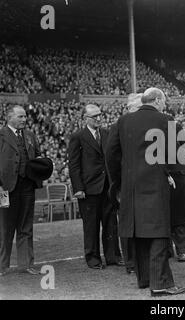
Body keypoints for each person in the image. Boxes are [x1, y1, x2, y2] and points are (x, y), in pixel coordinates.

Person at [105, 87, 185, 297]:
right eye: (164, 101)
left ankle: (144, 279)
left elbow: (111, 153)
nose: (164, 105)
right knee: (159, 232)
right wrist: (168, 173)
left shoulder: (123, 121)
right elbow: (173, 155)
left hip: (130, 186)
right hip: (155, 184)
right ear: (157, 100)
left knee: (139, 232)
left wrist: (119, 182)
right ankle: (161, 284)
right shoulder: (165, 119)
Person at [67, 104, 123, 270]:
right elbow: (74, 164)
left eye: (100, 115)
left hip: (107, 188)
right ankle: (93, 258)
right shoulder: (78, 136)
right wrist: (78, 188)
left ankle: (113, 256)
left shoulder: (106, 133)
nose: (98, 118)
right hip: (88, 189)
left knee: (111, 223)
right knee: (91, 225)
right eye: (94, 116)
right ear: (86, 118)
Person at [0, 105, 43, 276]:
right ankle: (2, 266)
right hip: (5, 188)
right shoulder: (1, 135)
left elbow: (38, 155)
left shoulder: (30, 135)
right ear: (9, 117)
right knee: (5, 227)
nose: (24, 120)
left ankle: (26, 265)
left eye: (25, 117)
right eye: (20, 117)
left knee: (26, 226)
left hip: (27, 186)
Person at [115, 93, 144, 274]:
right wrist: (117, 184)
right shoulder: (119, 125)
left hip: (145, 184)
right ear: (129, 109)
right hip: (125, 184)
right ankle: (131, 263)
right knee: (127, 224)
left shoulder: (148, 126)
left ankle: (143, 261)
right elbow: (112, 156)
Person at [167, 117, 185, 262]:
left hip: (177, 173)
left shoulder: (174, 126)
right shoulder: (172, 125)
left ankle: (179, 250)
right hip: (169, 172)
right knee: (170, 215)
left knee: (178, 214)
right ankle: (176, 250)